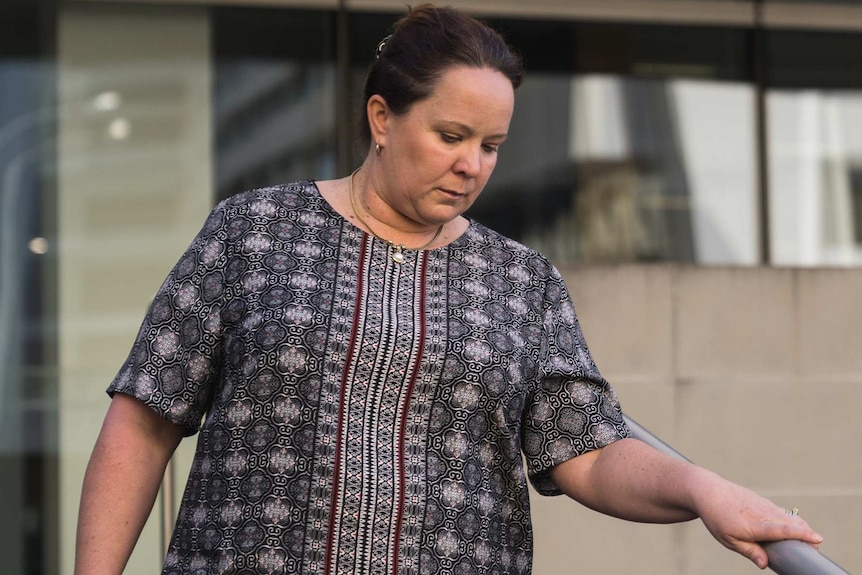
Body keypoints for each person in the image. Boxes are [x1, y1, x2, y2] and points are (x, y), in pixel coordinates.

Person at [75, 5, 823, 575]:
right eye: (451, 135)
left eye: (491, 145)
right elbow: (143, 422)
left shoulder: (522, 281)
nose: (473, 164)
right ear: (382, 118)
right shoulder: (253, 230)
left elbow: (587, 449)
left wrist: (701, 489)